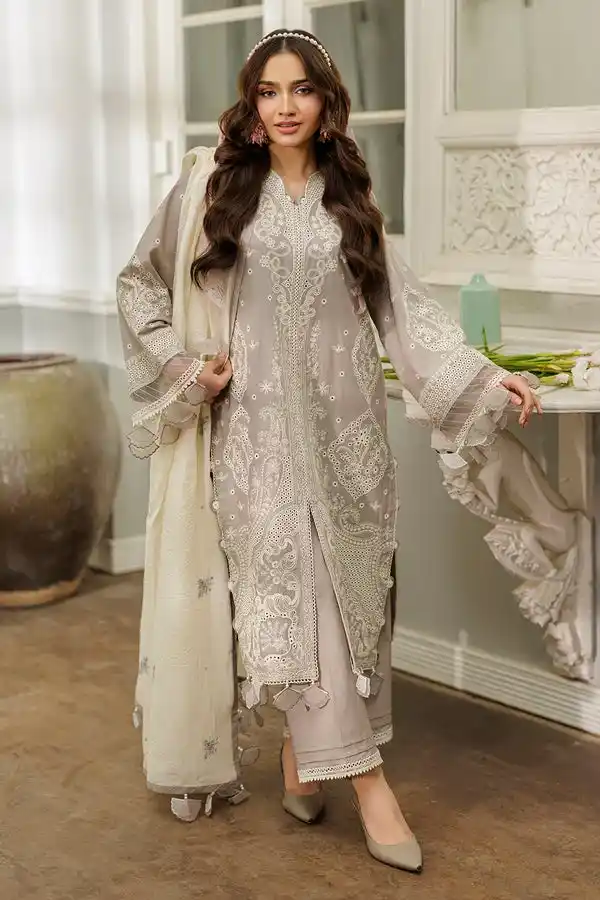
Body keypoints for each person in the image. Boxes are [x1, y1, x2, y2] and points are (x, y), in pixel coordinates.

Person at [117, 29, 540, 874]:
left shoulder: (349, 195)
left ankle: (300, 759)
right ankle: (372, 788)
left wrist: (482, 376)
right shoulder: (213, 189)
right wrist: (184, 366)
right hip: (256, 444)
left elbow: (402, 312)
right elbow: (140, 285)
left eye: (301, 90)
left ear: (325, 101)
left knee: (352, 601)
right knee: (300, 600)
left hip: (349, 443)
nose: (285, 107)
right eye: (269, 91)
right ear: (251, 102)